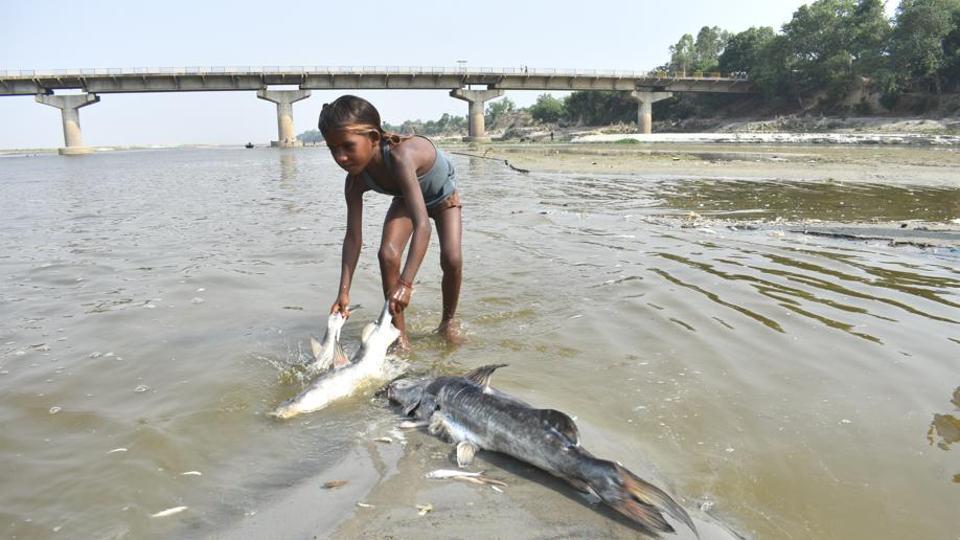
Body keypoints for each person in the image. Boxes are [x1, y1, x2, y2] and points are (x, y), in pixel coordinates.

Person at [318, 95, 463, 350]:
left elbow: (423, 226)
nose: (340, 157)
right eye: (333, 149)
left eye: (348, 146)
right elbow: (353, 238)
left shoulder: (400, 158)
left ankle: (447, 322)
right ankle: (399, 337)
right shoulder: (355, 181)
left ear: (374, 138)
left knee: (451, 259)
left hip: (442, 197)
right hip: (408, 197)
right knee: (388, 255)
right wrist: (344, 291)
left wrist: (406, 284)